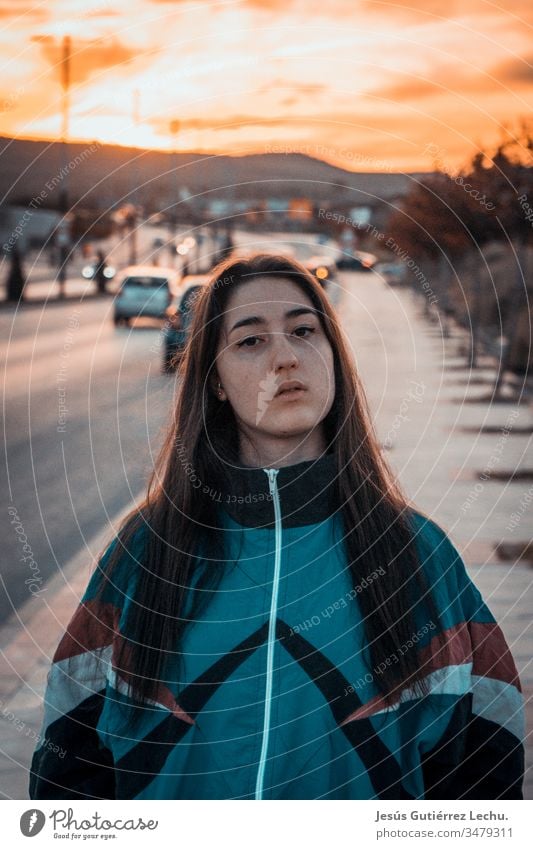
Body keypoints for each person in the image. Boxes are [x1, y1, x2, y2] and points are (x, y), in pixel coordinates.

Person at [29, 254, 525, 800]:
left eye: (304, 331)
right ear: (215, 381)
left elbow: (487, 764)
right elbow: (67, 761)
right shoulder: (146, 549)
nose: (286, 357)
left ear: (334, 354)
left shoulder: (417, 553)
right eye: (250, 341)